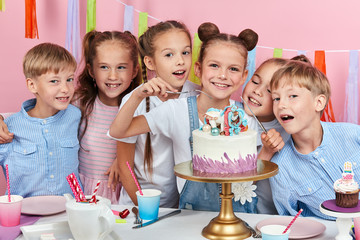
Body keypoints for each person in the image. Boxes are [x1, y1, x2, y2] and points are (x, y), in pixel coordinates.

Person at [109, 22, 278, 212]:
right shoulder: (176, 110)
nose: (222, 75)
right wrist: (138, 95)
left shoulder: (246, 118)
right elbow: (118, 131)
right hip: (187, 216)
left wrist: (268, 149)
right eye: (214, 65)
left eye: (233, 69)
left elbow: (253, 172)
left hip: (239, 214)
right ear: (199, 70)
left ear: (243, 76)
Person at [110, 20, 200, 208]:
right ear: (150, 62)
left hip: (185, 208)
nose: (180, 61)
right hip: (140, 204)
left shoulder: (198, 95)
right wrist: (146, 208)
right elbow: (125, 168)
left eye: (185, 52)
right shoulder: (135, 101)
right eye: (169, 54)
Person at [269, 60, 360, 220]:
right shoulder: (281, 169)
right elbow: (291, 222)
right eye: (276, 98)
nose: (281, 105)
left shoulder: (353, 135)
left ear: (318, 102)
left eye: (292, 96)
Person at [0, 43, 80, 197]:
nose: (65, 88)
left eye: (69, 79)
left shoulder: (75, 115)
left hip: (70, 211)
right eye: (54, 81)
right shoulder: (9, 127)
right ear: (32, 85)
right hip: (24, 215)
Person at [73, 30, 141, 204]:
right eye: (104, 67)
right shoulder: (79, 102)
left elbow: (148, 146)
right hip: (85, 191)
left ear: (134, 71)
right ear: (91, 70)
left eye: (121, 67)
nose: (113, 76)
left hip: (123, 192)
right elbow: (42, 111)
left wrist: (122, 158)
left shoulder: (141, 107)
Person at [241, 58, 290, 214]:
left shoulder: (289, 132)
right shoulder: (231, 117)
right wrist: (266, 152)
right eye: (255, 81)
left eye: (269, 91)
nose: (257, 91)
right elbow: (237, 188)